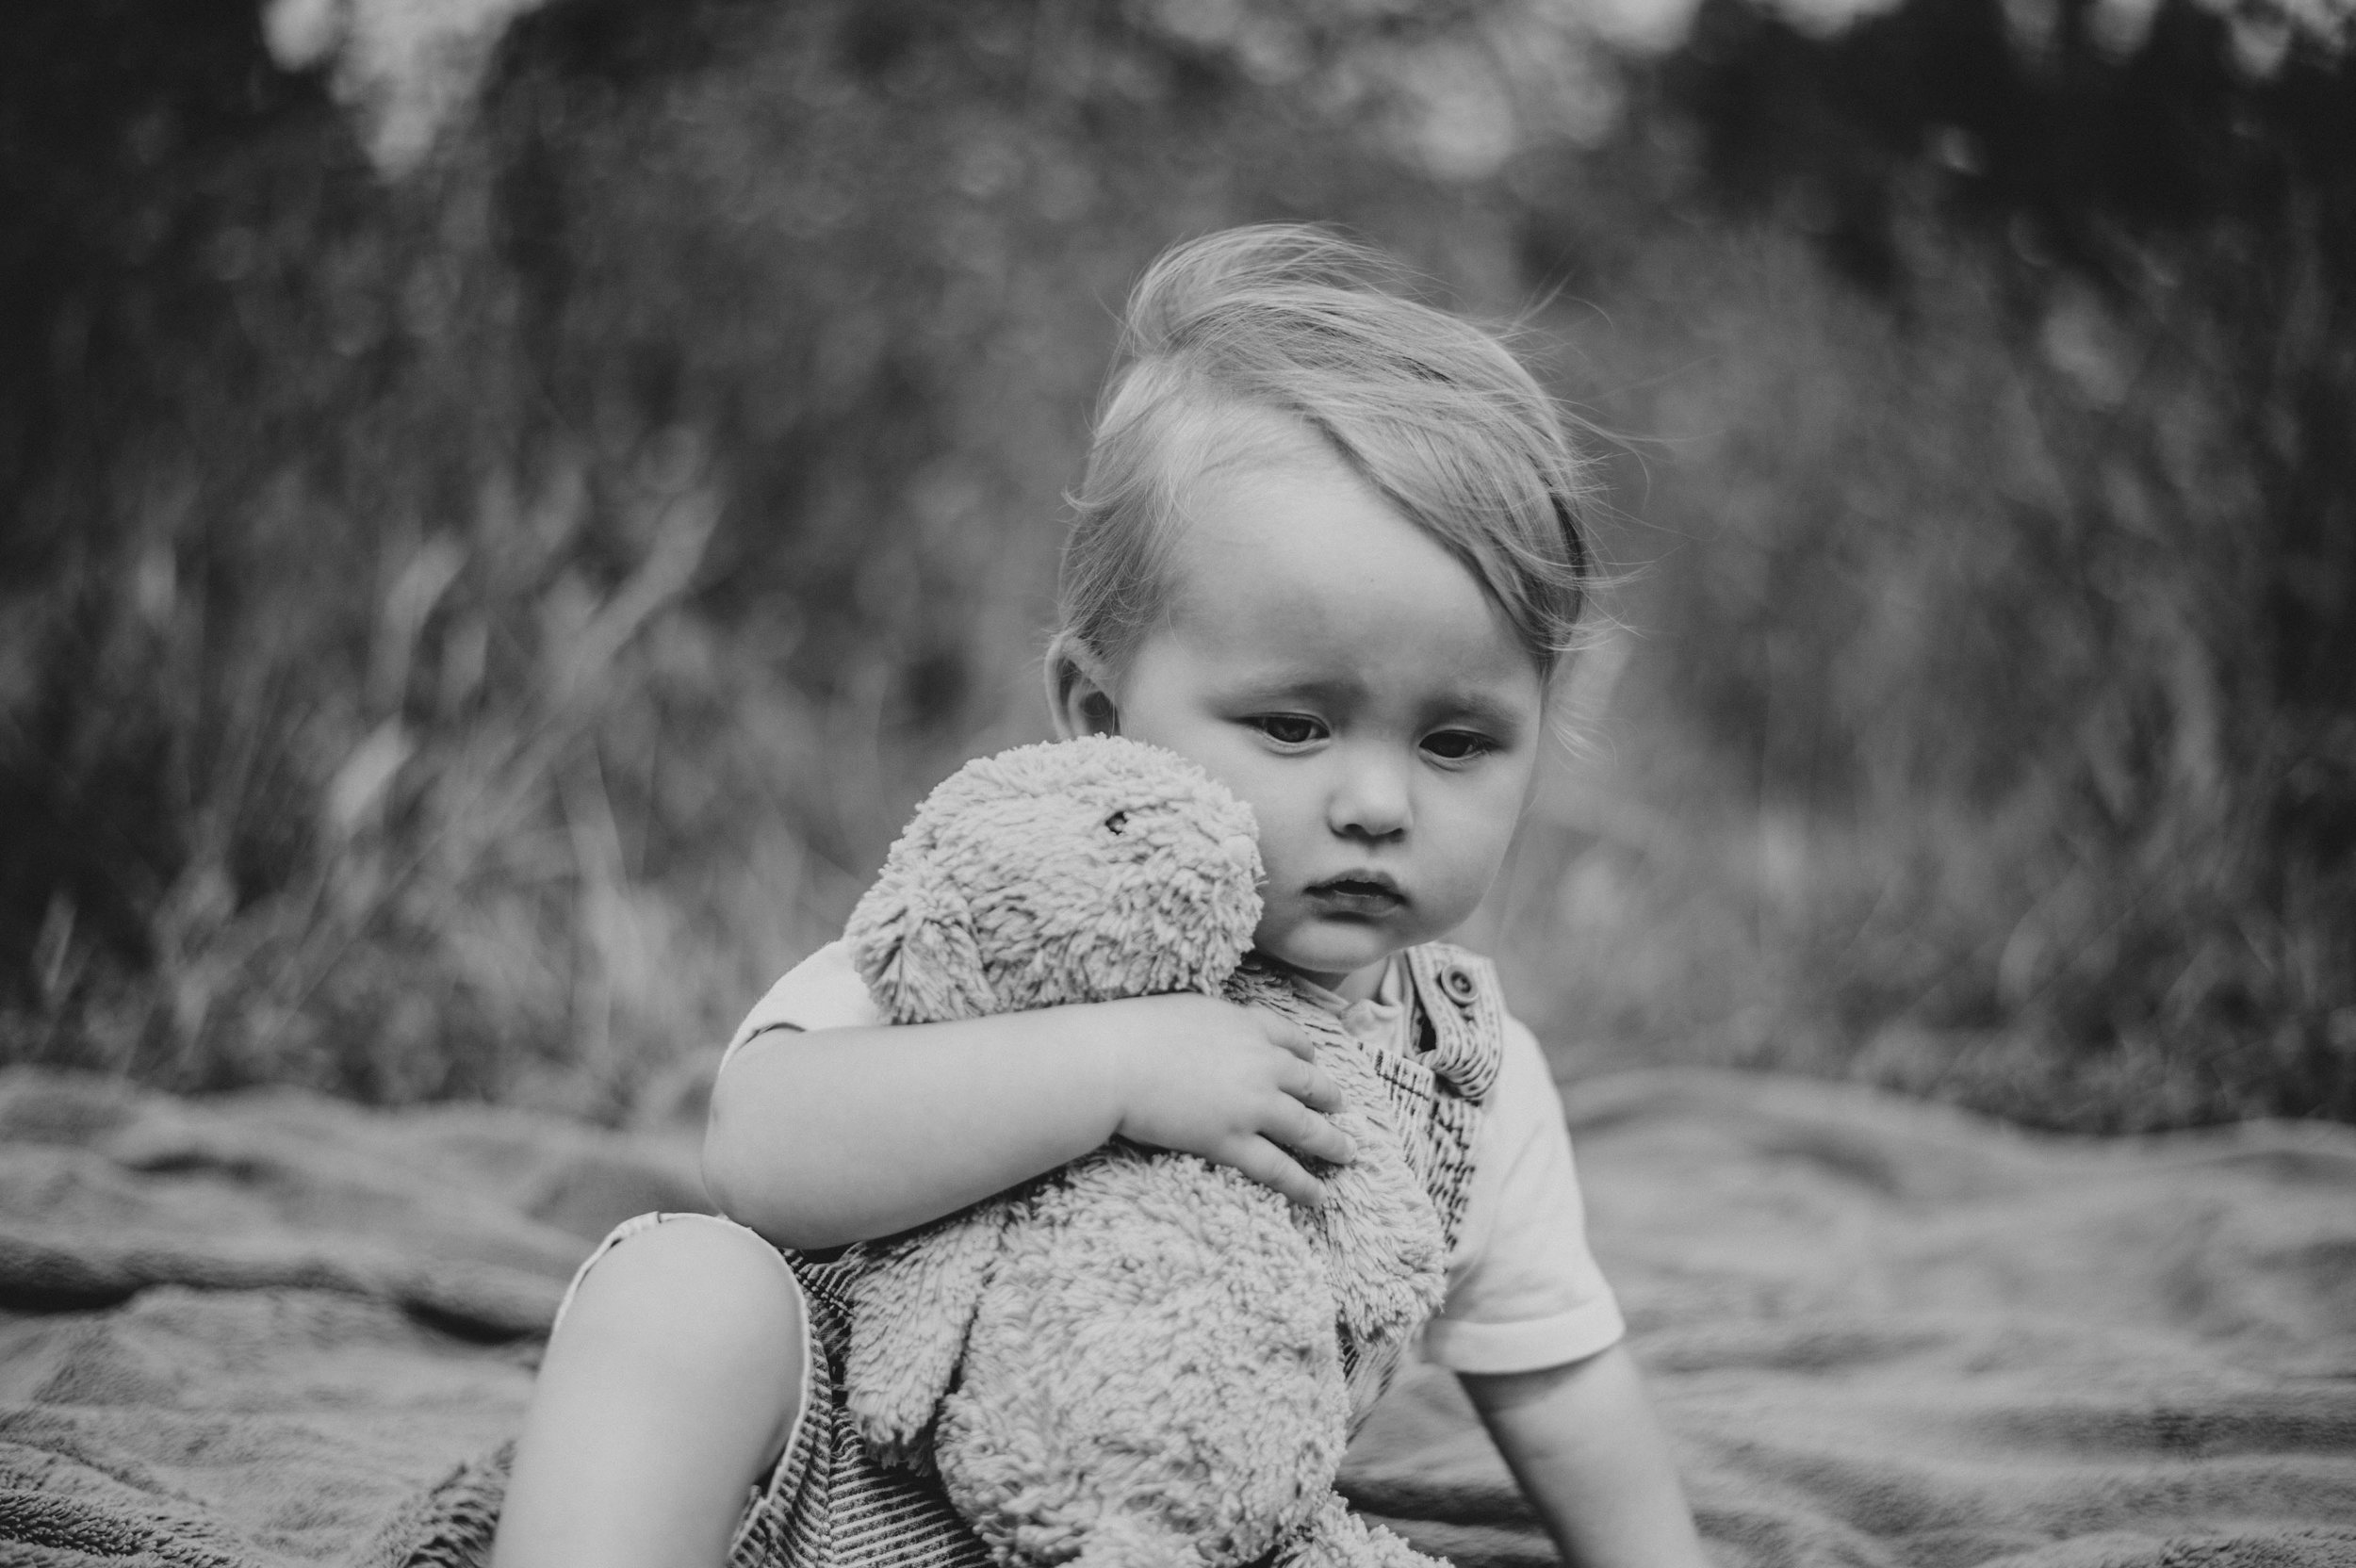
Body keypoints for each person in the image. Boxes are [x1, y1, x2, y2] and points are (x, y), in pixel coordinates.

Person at [492, 225, 1710, 1568]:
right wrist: (1116, 1066)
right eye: (1296, 727)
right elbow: (758, 1150)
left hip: (1178, 1535)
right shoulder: (1035, 923)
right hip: (837, 1485)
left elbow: (1558, 1376)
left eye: (1456, 741)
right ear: (1097, 711)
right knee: (676, 1286)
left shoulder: (1478, 1085)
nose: (1380, 802)